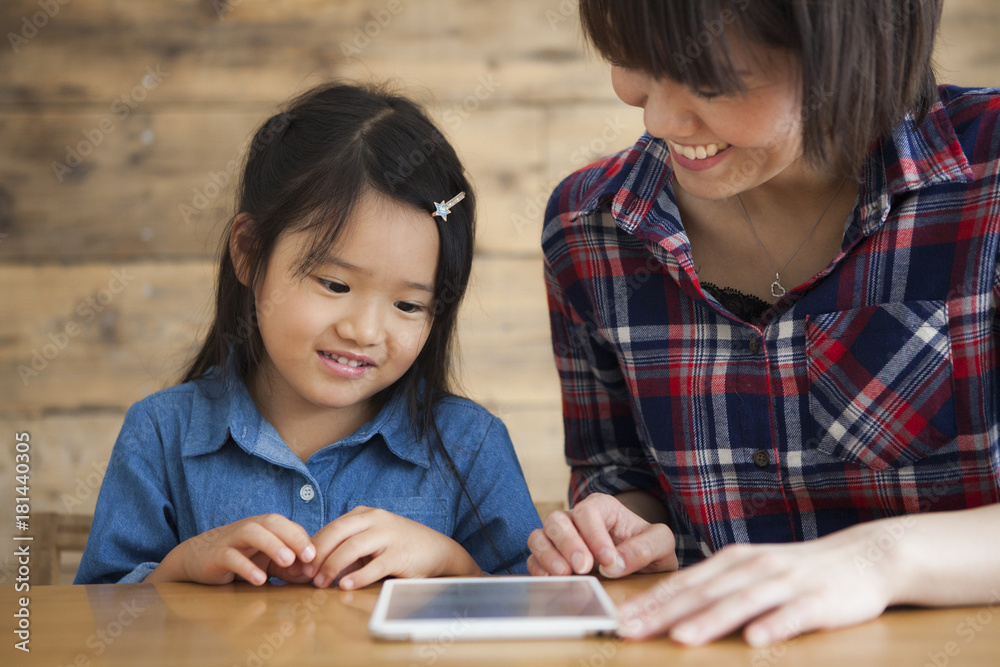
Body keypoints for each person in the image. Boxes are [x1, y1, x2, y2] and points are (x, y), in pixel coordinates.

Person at [529, 0, 1000, 648]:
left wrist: (880, 558)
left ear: (850, 49)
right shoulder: (590, 228)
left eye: (711, 81)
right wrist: (618, 526)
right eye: (634, 61)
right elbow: (621, 475)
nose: (659, 116)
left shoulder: (987, 180)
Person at [75, 82, 541, 589]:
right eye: (335, 284)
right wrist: (180, 569)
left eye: (408, 305)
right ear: (249, 253)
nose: (363, 330)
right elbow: (96, 621)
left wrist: (452, 563)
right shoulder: (160, 433)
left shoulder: (471, 446)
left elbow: (538, 619)